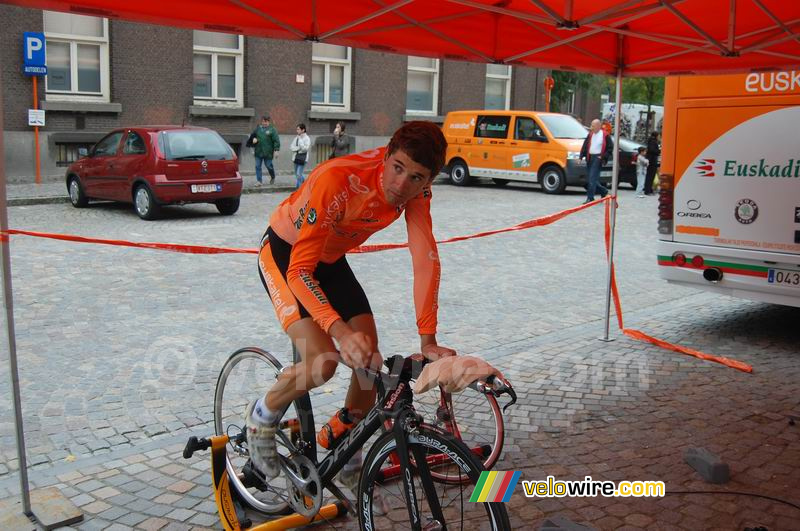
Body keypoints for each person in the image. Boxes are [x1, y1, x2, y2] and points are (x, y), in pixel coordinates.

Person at [249, 121, 456, 484]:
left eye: (416, 178)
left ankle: (345, 438)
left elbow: (424, 257)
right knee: (322, 362)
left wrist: (428, 340)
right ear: (387, 156)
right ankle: (261, 418)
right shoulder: (339, 178)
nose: (400, 185)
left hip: (329, 260)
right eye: (397, 168)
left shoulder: (418, 192)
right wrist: (341, 332)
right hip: (287, 254)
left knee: (369, 359)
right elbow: (299, 271)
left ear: (428, 181)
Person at [579, 118, 613, 204]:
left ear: (598, 126)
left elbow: (610, 148)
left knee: (592, 179)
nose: (591, 128)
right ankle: (604, 191)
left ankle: (590, 198)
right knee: (592, 179)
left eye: (593, 126)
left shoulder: (605, 135)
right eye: (591, 126)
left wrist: (603, 157)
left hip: (598, 158)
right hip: (589, 157)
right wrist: (581, 156)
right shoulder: (590, 134)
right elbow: (585, 145)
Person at [249, 116, 280, 185]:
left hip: (268, 152)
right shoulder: (258, 129)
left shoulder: (272, 130)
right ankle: (259, 181)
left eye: (266, 121)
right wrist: (253, 139)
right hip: (258, 151)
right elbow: (252, 137)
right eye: (263, 121)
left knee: (268, 165)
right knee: (257, 166)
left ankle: (273, 176)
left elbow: (276, 141)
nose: (264, 123)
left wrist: (276, 150)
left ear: (268, 122)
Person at [289, 123, 311, 189]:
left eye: (298, 129)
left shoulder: (307, 138)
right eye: (297, 129)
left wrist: (300, 140)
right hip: (295, 157)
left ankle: (299, 188)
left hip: (303, 158)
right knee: (297, 174)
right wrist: (298, 149)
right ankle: (304, 182)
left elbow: (305, 149)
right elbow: (291, 147)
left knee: (299, 174)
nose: (297, 131)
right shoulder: (296, 137)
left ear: (303, 130)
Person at [645, 131, 660, 195]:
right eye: (658, 135)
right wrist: (659, 151)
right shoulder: (652, 141)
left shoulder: (652, 141)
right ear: (656, 135)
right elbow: (652, 150)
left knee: (651, 176)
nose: (659, 137)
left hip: (652, 161)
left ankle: (650, 189)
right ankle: (647, 190)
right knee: (650, 176)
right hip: (652, 161)